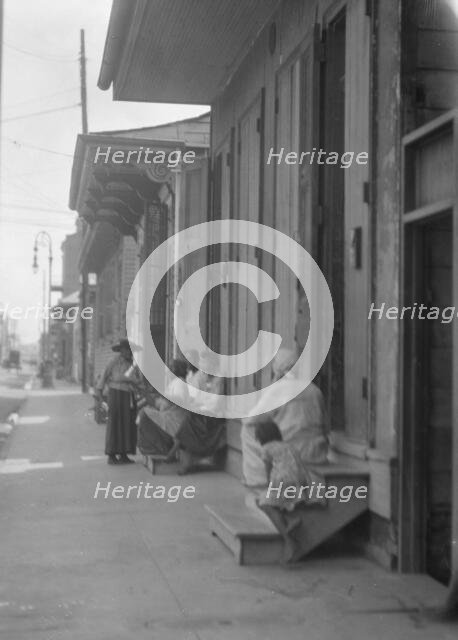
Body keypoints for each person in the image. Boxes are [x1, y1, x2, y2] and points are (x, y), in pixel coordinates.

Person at [241, 347, 328, 486]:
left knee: (247, 430)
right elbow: (326, 426)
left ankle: (258, 479)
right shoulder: (315, 390)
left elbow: (252, 418)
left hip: (290, 451)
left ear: (278, 368)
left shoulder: (278, 389)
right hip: (317, 452)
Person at [253, 417, 326, 563]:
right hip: (299, 479)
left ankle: (289, 538)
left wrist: (269, 487)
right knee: (277, 502)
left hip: (282, 479)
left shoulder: (266, 448)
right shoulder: (288, 445)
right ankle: (289, 521)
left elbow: (269, 470)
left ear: (261, 437)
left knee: (263, 503)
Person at [97, 339, 141, 465]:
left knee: (128, 424)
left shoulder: (133, 364)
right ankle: (111, 455)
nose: (129, 353)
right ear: (121, 351)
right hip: (116, 394)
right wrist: (99, 393)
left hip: (129, 395)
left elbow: (137, 380)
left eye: (131, 350)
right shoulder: (114, 361)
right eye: (127, 350)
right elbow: (104, 376)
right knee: (115, 423)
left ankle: (124, 454)